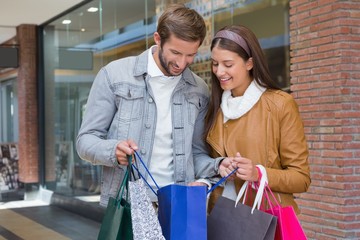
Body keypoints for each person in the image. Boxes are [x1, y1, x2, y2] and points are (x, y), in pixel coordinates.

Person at [76, 4, 223, 206]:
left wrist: (219, 166)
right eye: (176, 52)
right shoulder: (114, 76)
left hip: (179, 205)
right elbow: (85, 141)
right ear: (158, 39)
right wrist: (114, 150)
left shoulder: (198, 89)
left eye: (191, 55)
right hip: (128, 205)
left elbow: (197, 153)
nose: (182, 63)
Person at [205, 25, 311, 214]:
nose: (219, 71)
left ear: (249, 63)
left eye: (228, 64)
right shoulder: (213, 106)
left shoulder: (280, 105)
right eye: (214, 63)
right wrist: (217, 167)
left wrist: (259, 173)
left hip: (264, 220)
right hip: (220, 219)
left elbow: (301, 178)